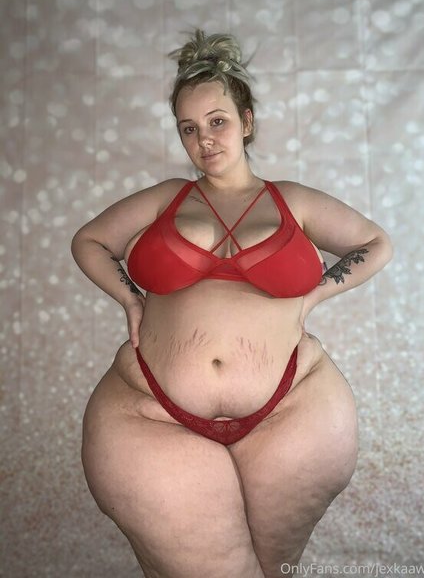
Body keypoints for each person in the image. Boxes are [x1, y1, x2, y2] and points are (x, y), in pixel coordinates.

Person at [71, 29, 393, 578]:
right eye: (188, 128)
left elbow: (376, 243)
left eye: (216, 121)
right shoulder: (166, 198)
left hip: (292, 412)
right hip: (151, 414)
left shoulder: (292, 200)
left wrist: (313, 296)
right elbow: (89, 241)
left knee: (275, 570)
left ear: (246, 121)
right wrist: (130, 300)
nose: (204, 140)